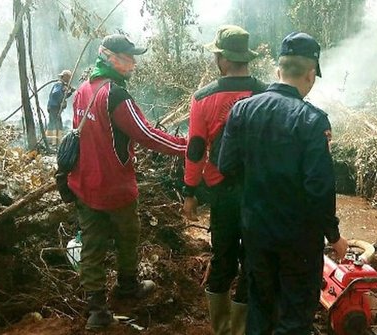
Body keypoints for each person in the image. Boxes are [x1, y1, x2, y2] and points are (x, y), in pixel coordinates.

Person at [217, 32, 348, 335]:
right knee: (294, 315)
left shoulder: (242, 110)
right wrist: (334, 235)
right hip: (298, 239)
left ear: (278, 70)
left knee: (260, 308)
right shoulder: (313, 121)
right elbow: (320, 188)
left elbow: (226, 166)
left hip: (255, 233)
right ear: (311, 74)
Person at [67, 34, 187, 331]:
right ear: (109, 57)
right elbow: (147, 135)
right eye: (127, 57)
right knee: (127, 237)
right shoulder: (116, 95)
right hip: (114, 187)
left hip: (85, 184)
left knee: (92, 246)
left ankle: (96, 309)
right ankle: (127, 287)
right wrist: (186, 147)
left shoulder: (83, 89)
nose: (133, 63)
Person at [182, 25, 266, 335]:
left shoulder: (204, 98)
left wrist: (189, 191)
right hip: (260, 194)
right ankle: (244, 328)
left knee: (223, 258)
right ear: (246, 58)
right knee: (254, 259)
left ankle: (221, 329)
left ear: (223, 60)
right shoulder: (266, 93)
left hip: (221, 192)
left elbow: (195, 149)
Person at [47, 69, 73, 136]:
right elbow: (56, 94)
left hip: (54, 107)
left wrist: (70, 92)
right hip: (54, 107)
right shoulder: (59, 84)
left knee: (56, 124)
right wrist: (62, 102)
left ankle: (54, 141)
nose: (69, 79)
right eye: (68, 78)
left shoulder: (61, 85)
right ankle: (53, 141)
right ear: (65, 77)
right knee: (55, 124)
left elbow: (63, 96)